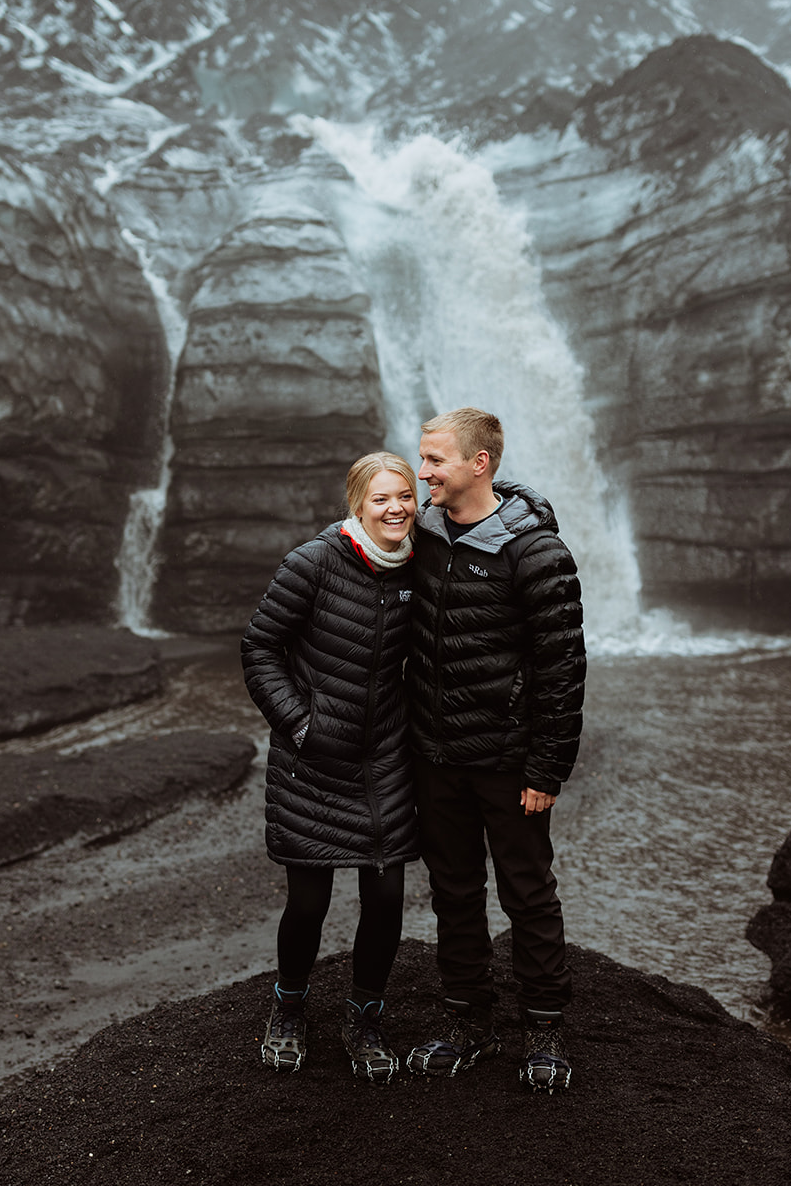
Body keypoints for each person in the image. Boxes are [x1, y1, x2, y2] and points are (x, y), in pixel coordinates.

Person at [404, 407, 585, 1093]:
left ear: (479, 463)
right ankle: (467, 1020)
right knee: (452, 892)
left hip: (509, 762)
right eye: (420, 460)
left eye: (435, 461)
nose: (422, 473)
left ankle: (542, 1027)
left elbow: (561, 666)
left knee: (526, 893)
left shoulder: (536, 552)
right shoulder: (419, 533)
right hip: (435, 755)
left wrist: (547, 766)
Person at [241, 451, 420, 1084]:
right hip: (314, 758)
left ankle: (365, 1016)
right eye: (381, 498)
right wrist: (300, 724)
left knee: (387, 897)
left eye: (406, 495)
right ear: (356, 504)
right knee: (309, 900)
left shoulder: (422, 561)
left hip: (386, 761)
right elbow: (260, 646)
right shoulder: (312, 562)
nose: (396, 507)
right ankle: (289, 1007)